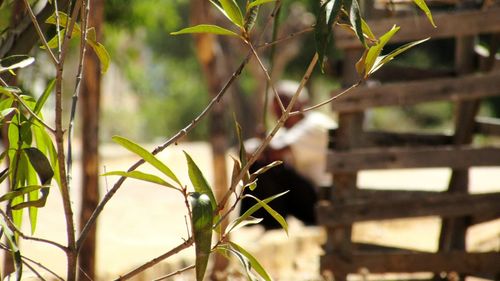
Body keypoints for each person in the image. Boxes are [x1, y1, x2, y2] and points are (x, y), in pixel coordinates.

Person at [240, 80, 337, 230]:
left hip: (322, 199)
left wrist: (262, 143)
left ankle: (269, 224)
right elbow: (250, 149)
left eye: (284, 105)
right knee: (257, 165)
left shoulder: (315, 124)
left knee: (265, 167)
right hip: (308, 198)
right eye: (276, 109)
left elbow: (275, 151)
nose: (279, 113)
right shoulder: (292, 129)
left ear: (301, 103)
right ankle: (253, 222)